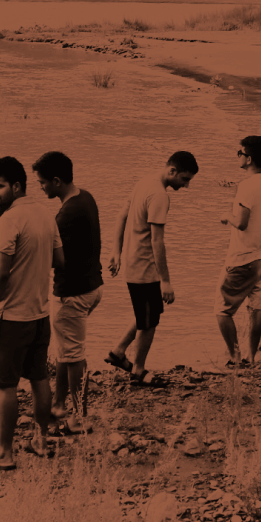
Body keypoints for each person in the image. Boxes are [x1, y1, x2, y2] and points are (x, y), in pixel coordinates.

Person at [0, 157, 64, 470]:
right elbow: (59, 260)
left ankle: (4, 453)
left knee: (6, 386)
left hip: (11, 316)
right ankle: (41, 440)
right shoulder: (45, 213)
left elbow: (0, 274)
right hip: (40, 314)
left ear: (16, 186)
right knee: (39, 378)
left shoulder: (8, 221)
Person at [105, 150, 199, 386]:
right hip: (144, 268)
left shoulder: (144, 182)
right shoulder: (159, 195)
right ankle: (138, 369)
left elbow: (120, 216)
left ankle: (118, 352)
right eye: (184, 179)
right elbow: (157, 241)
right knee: (149, 321)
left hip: (132, 263)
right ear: (172, 171)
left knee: (146, 313)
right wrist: (166, 281)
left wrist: (116, 252)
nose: (186, 186)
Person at [33, 150, 103, 435]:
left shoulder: (66, 215)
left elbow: (54, 260)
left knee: (73, 355)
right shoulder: (85, 197)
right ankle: (59, 404)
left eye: (42, 183)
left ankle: (79, 416)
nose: (41, 187)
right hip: (92, 286)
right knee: (66, 350)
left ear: (57, 181)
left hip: (72, 293)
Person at [215, 136, 261, 368]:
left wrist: (226, 216)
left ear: (249, 158)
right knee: (256, 308)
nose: (238, 156)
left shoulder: (246, 186)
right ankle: (252, 358)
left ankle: (235, 357)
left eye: (239, 153)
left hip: (243, 257)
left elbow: (241, 223)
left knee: (222, 310)